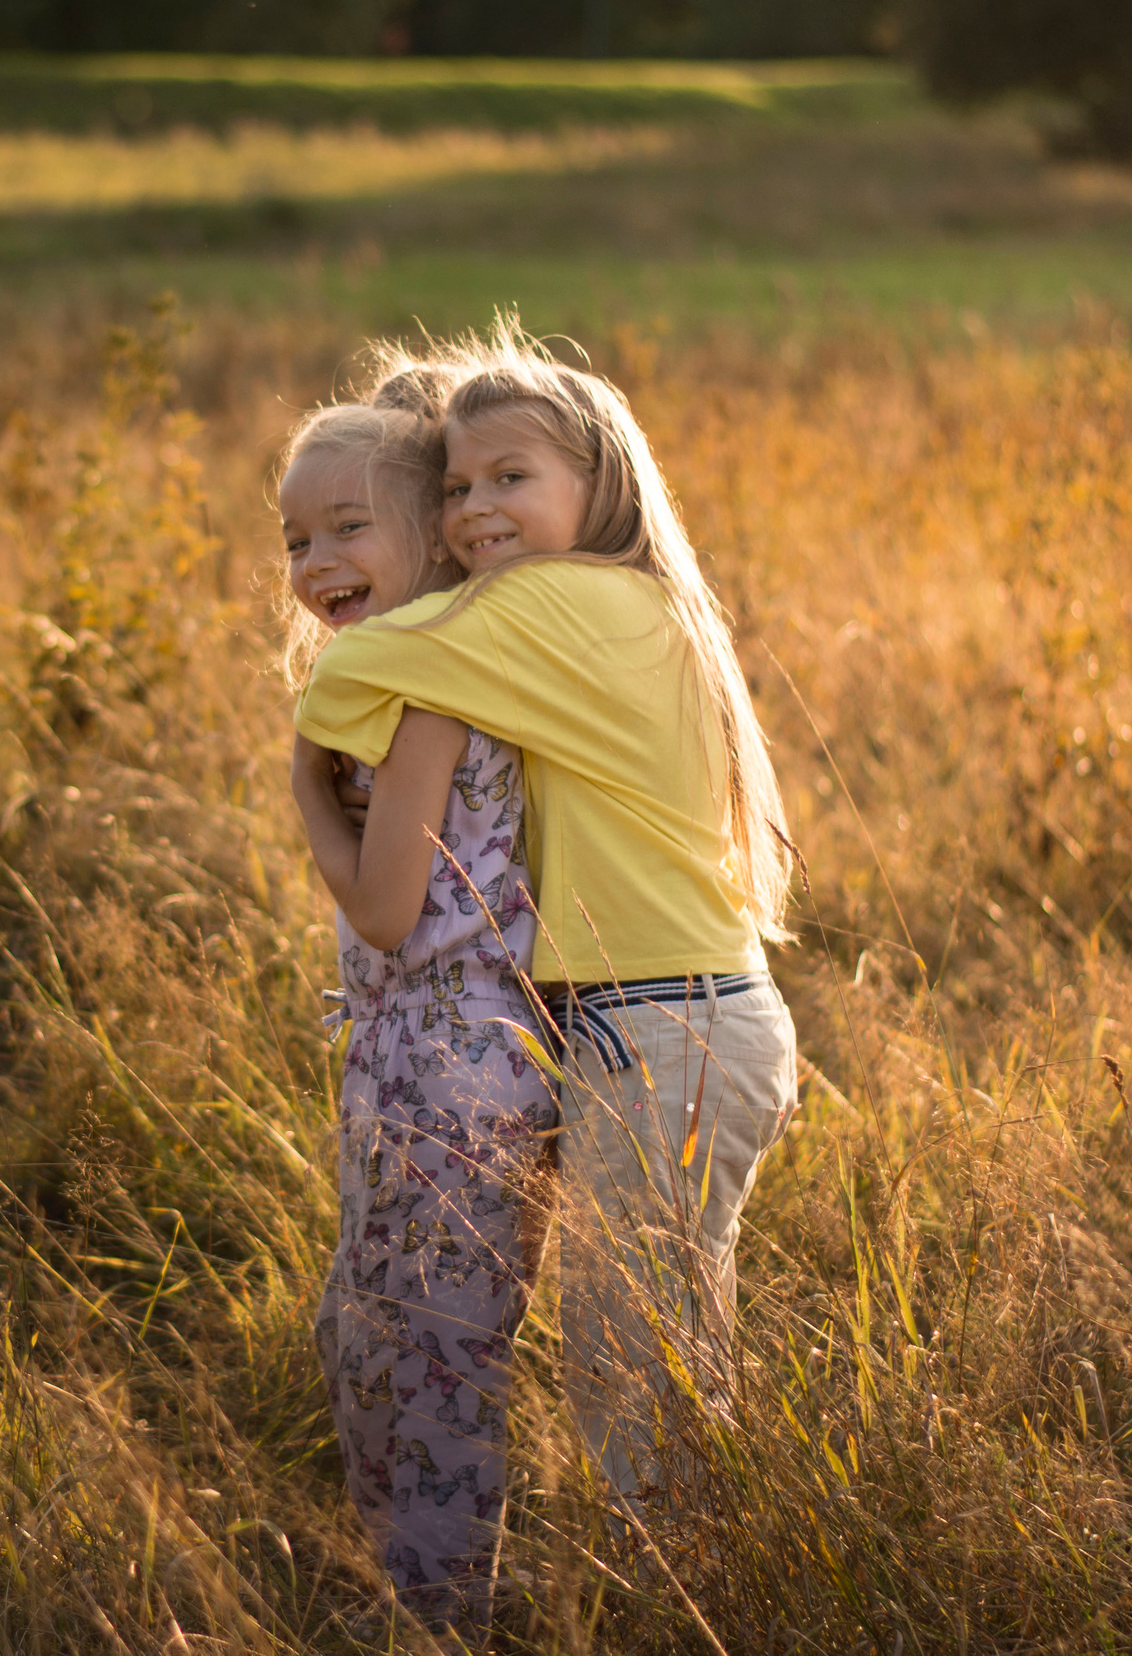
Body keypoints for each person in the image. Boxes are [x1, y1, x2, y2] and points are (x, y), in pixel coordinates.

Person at [294, 320, 801, 1518]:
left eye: (510, 479)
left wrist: (312, 784)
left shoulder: (568, 601)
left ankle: (691, 1602)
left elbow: (342, 676)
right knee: (659, 1358)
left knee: (636, 1379)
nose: (476, 511)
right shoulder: (619, 604)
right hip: (670, 1022)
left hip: (662, 1027)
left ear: (603, 481)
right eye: (458, 487)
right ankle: (699, 1586)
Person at [280, 377, 555, 1644]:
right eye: (293, 540)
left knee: (437, 1364)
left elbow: (389, 912)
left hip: (457, 1065)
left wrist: (303, 793)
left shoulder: (426, 693)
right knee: (370, 1338)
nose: (315, 560)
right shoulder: (395, 675)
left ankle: (444, 1619)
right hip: (412, 1060)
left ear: (427, 538)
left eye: (345, 527)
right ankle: (409, 1590)